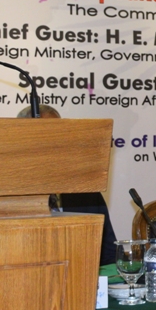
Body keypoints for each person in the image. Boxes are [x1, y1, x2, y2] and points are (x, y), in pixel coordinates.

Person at [19, 104, 119, 264]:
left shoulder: (85, 192)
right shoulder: (11, 195)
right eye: (44, 135)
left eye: (58, 134)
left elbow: (109, 255)